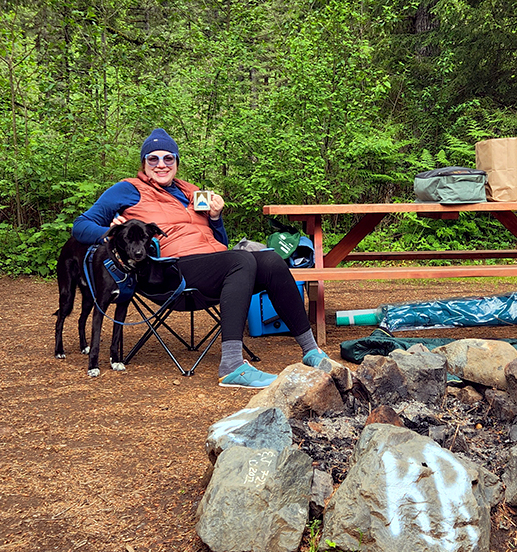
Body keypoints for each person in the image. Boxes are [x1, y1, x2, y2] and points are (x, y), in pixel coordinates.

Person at [72, 127, 329, 388]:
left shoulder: (192, 192)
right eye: (153, 159)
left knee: (270, 259)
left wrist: (216, 218)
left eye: (168, 158)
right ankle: (232, 365)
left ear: (177, 162)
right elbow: (80, 226)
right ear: (144, 163)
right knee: (240, 260)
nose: (161, 165)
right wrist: (111, 233)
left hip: (212, 267)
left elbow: (221, 244)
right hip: (168, 273)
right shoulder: (127, 189)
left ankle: (311, 352)